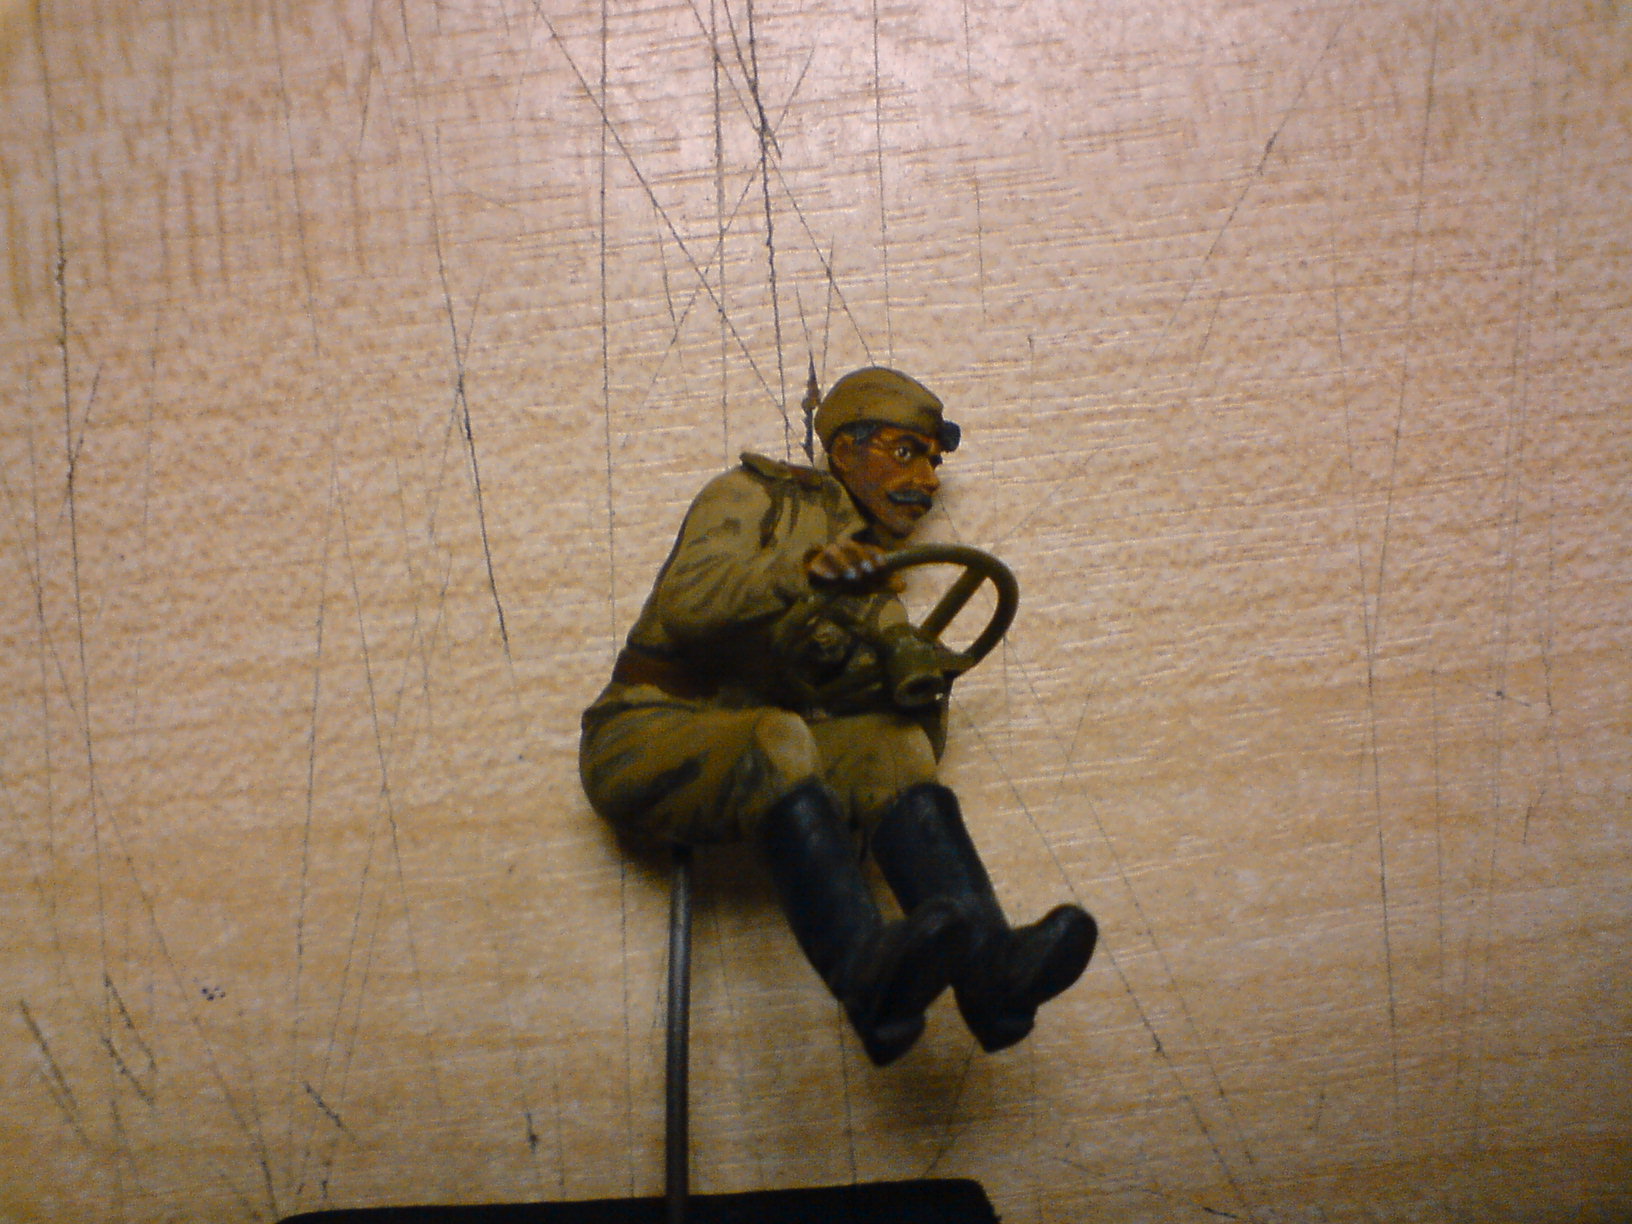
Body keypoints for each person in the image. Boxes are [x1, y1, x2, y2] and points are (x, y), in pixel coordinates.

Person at [580, 367, 1095, 1065]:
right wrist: (805, 573)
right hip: (643, 732)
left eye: (932, 463)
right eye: (905, 453)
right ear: (846, 451)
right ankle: (866, 977)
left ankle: (991, 973)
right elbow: (690, 603)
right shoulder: (754, 498)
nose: (926, 481)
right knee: (775, 736)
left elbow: (867, 714)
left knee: (891, 745)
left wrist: (916, 685)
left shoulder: (870, 575)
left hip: (763, 738)